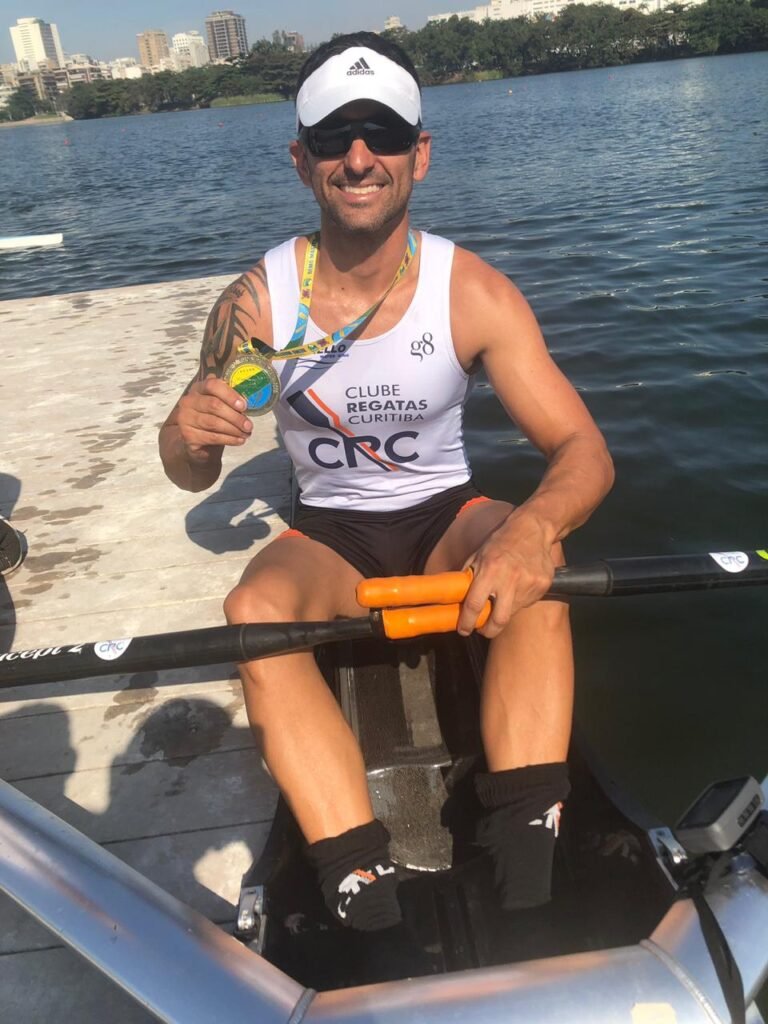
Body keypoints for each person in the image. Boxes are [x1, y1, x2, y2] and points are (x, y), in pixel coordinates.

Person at [159, 32, 614, 939]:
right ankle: (354, 867)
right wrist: (185, 435)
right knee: (253, 611)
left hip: (445, 517)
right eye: (334, 137)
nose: (360, 157)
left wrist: (531, 530)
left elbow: (584, 451)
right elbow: (191, 469)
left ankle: (527, 842)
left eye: (384, 134)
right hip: (331, 531)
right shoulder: (256, 303)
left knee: (544, 567)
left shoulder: (472, 291)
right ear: (302, 161)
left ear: (420, 153)